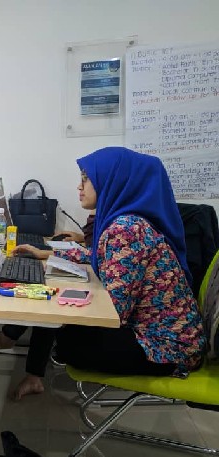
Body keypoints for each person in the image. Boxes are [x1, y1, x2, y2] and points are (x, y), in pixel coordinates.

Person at [24, 147, 206, 377]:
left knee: (68, 339)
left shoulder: (126, 229)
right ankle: (34, 372)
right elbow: (98, 256)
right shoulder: (124, 221)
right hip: (170, 335)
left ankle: (32, 370)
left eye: (86, 179)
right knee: (60, 321)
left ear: (111, 181)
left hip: (166, 346)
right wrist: (49, 254)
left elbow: (114, 313)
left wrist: (64, 297)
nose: (79, 187)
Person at [0, 212, 95, 400]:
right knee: (42, 292)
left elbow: (96, 254)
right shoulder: (109, 218)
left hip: (113, 333)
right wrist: (81, 238)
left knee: (47, 303)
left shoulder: (121, 224)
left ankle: (8, 338)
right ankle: (28, 368)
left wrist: (44, 253)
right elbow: (95, 249)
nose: (80, 193)